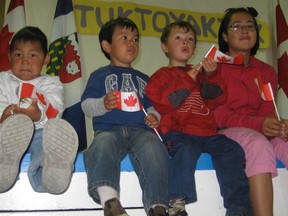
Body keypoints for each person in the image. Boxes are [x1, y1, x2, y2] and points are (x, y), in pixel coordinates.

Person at [145, 21, 252, 216]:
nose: (185, 42)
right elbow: (162, 103)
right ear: (164, 47)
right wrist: (188, 79)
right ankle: (176, 202)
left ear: (194, 48)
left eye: (190, 39)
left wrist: (212, 75)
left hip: (207, 133)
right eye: (178, 38)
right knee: (185, 149)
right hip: (178, 132)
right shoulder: (161, 75)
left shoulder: (201, 73)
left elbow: (216, 100)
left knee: (232, 149)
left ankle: (239, 206)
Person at [81, 17, 168, 216]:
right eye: (125, 37)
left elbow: (153, 107)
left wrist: (154, 117)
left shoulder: (144, 78)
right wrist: (102, 103)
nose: (132, 43)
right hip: (108, 130)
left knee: (155, 147)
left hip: (141, 131)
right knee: (101, 144)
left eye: (136, 39)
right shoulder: (99, 75)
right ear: (107, 45)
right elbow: (86, 105)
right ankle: (110, 202)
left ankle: (158, 206)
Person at [214, 7, 288, 216]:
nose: (245, 30)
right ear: (225, 36)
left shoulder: (266, 71)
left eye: (250, 26)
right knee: (257, 143)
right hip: (224, 132)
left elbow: (267, 111)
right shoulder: (213, 68)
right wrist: (260, 125)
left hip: (259, 130)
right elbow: (218, 116)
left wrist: (278, 125)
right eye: (237, 26)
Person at [0, 26, 78, 194]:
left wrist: (38, 114)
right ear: (9, 56)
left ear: (46, 59)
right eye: (18, 54)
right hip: (8, 134)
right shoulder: (3, 80)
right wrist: (3, 117)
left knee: (49, 138)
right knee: (3, 135)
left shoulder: (51, 83)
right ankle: (3, 166)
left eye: (33, 55)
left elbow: (56, 107)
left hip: (39, 131)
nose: (25, 60)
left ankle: (50, 171)